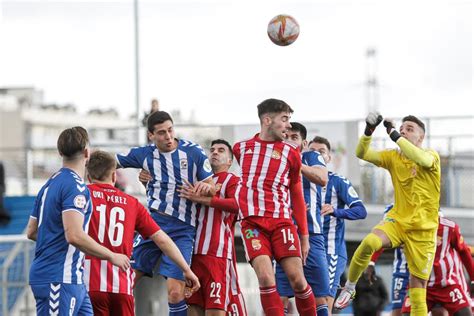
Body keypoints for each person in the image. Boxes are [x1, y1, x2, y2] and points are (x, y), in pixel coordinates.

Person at [335, 114, 441, 316]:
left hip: (424, 231)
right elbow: (361, 152)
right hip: (398, 221)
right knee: (369, 243)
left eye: (409, 129)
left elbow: (420, 158)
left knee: (418, 290)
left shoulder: (431, 155)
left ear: (421, 137)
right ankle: (349, 287)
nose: (403, 131)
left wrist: (393, 134)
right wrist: (369, 130)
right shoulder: (393, 156)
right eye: (402, 128)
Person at [116, 110, 215, 316]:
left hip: (182, 230)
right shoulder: (144, 154)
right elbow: (108, 163)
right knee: (125, 281)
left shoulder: (193, 152)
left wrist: (204, 189)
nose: (168, 137)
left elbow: (212, 186)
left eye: (170, 130)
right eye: (161, 133)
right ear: (151, 135)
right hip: (152, 226)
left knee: (175, 293)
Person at [26, 127, 130, 316]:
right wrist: (111, 255)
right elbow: (74, 235)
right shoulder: (75, 187)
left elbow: (32, 231)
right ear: (86, 153)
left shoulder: (49, 184)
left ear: (60, 153)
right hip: (58, 278)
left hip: (73, 279)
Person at [84, 150, 199, 316]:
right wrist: (186, 270)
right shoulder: (132, 203)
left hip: (90, 284)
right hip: (122, 287)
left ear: (89, 177)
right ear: (114, 176)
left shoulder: (82, 196)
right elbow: (163, 240)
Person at [232, 98, 316, 315]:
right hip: (252, 224)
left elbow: (296, 194)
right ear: (267, 120)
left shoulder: (291, 153)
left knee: (297, 280)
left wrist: (304, 236)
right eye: (285, 119)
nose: (288, 125)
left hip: (281, 223)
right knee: (266, 278)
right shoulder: (241, 148)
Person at [177, 139, 246, 316]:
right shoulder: (197, 180)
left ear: (230, 161)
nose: (214, 152)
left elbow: (238, 204)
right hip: (191, 256)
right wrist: (145, 179)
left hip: (217, 254)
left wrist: (202, 199)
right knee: (192, 309)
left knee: (216, 310)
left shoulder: (233, 179)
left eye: (221, 150)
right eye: (212, 149)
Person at [274, 122, 330, 316]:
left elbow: (323, 178)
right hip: (282, 234)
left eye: (294, 138)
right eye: (286, 136)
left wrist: (297, 162)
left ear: (304, 143)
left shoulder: (310, 156)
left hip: (312, 234)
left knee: (319, 295)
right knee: (280, 295)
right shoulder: (273, 159)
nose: (288, 141)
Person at [308, 136, 367, 314]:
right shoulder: (299, 182)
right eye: (312, 151)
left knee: (325, 300)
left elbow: (360, 211)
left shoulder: (338, 181)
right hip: (306, 247)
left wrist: (335, 211)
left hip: (330, 250)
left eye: (321, 152)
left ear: (328, 158)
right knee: (306, 298)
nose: (316, 155)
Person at [401, 214, 474, 316]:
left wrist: (473, 278)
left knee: (465, 314)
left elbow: (464, 252)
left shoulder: (450, 228)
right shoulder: (409, 226)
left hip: (447, 285)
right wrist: (372, 262)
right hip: (421, 285)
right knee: (406, 314)